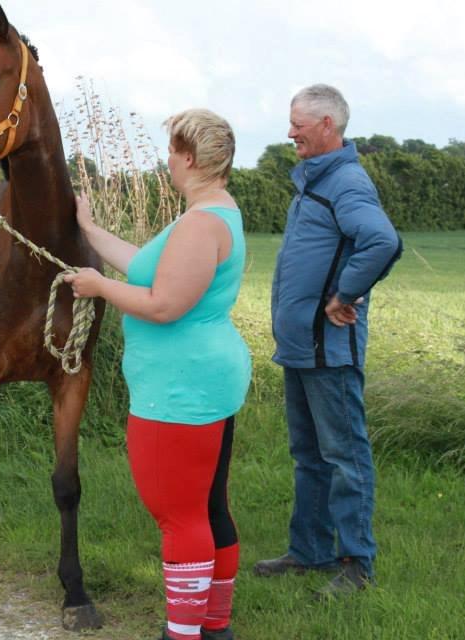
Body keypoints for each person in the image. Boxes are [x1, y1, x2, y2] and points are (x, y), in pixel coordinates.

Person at [64, 109, 251, 640]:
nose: (167, 159)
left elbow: (164, 302)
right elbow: (147, 267)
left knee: (180, 516)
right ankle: (213, 627)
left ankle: (183, 633)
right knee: (209, 507)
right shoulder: (215, 212)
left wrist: (97, 287)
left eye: (172, 150)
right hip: (203, 379)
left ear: (189, 157)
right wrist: (90, 231)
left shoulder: (200, 223)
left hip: (181, 389)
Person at [254, 84, 402, 598]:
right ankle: (310, 550)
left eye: (297, 123)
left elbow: (383, 240)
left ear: (326, 126)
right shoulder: (315, 179)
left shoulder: (346, 182)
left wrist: (346, 293)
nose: (289, 131)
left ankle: (357, 565)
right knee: (309, 455)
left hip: (329, 350)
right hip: (301, 347)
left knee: (345, 457)